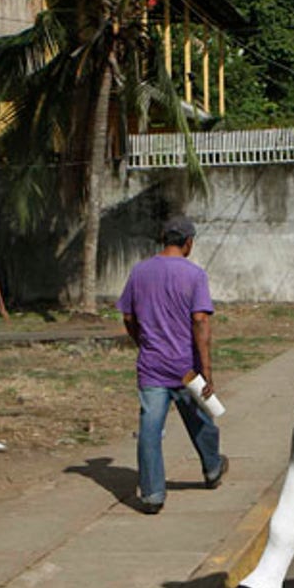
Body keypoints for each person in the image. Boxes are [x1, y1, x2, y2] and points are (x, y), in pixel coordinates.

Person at [117, 215, 227, 515]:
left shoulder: (139, 272)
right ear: (188, 242)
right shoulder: (194, 275)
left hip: (152, 367)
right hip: (186, 368)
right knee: (201, 420)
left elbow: (128, 317)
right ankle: (213, 468)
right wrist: (207, 371)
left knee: (150, 430)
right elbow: (200, 321)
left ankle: (152, 494)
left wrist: (143, 342)